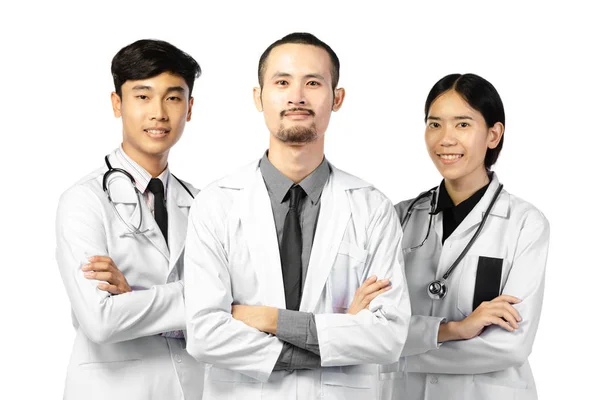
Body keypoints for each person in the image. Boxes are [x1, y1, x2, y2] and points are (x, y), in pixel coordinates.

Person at [183, 32, 411, 399]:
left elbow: (388, 337)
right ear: (258, 97)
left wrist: (269, 320)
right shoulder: (215, 204)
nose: (297, 96)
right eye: (282, 82)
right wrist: (335, 335)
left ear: (337, 98)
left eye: (313, 83)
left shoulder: (372, 208)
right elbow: (204, 335)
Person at [55, 39, 205, 400]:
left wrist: (134, 296)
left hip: (193, 388)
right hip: (114, 390)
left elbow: (228, 316)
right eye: (143, 96)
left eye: (173, 97)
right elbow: (102, 321)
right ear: (117, 104)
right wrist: (203, 299)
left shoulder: (202, 204)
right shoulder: (84, 201)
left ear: (189, 108)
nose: (159, 113)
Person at [394, 73, 549, 400]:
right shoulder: (398, 217)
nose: (445, 139)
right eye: (435, 124)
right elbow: (366, 325)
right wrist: (455, 331)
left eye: (462, 125)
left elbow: (510, 347)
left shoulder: (524, 224)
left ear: (494, 134)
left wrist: (396, 353)